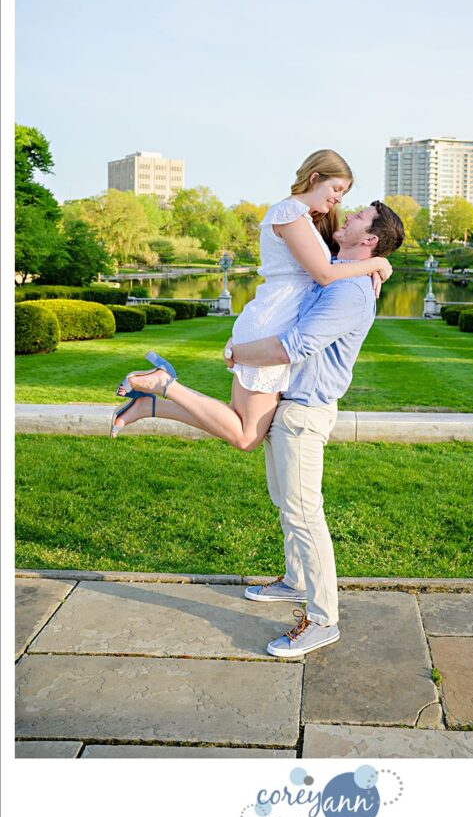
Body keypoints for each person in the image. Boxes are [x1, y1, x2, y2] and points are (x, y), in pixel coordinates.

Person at [119, 200, 405, 658]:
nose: (345, 217)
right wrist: (379, 263)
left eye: (356, 218)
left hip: (304, 413)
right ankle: (295, 581)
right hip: (289, 406)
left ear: (369, 238)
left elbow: (297, 345)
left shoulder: (348, 292)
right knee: (286, 502)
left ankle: (324, 620)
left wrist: (238, 354)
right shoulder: (344, 272)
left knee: (304, 514)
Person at [110, 149, 393, 444]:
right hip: (271, 324)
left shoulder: (305, 219)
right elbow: (323, 274)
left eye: (343, 193)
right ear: (314, 178)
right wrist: (375, 263)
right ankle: (163, 385)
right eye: (336, 189)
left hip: (272, 321)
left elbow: (334, 266)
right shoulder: (289, 214)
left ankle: (149, 404)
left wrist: (368, 265)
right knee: (246, 436)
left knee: (238, 421)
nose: (338, 199)